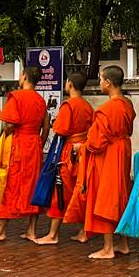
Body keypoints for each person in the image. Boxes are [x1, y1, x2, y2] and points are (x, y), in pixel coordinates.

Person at [66, 65, 134, 260]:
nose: (100, 83)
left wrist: (82, 148)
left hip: (109, 154)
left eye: (102, 80)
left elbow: (96, 142)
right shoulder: (126, 104)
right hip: (123, 150)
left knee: (107, 196)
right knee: (121, 193)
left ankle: (108, 247)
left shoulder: (107, 109)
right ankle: (124, 243)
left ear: (109, 83)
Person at [0, 68, 48, 242]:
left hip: (19, 144)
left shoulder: (17, 96)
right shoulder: (41, 101)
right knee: (33, 186)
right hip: (34, 145)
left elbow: (10, 125)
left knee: (10, 184)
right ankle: (31, 230)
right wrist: (38, 142)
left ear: (25, 76)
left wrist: (5, 135)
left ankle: (0, 230)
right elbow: (46, 126)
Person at [34, 72, 94, 246]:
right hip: (83, 151)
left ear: (69, 84)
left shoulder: (69, 106)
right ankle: (84, 231)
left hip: (69, 151)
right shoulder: (87, 106)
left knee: (60, 191)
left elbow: (61, 129)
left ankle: (53, 234)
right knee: (81, 189)